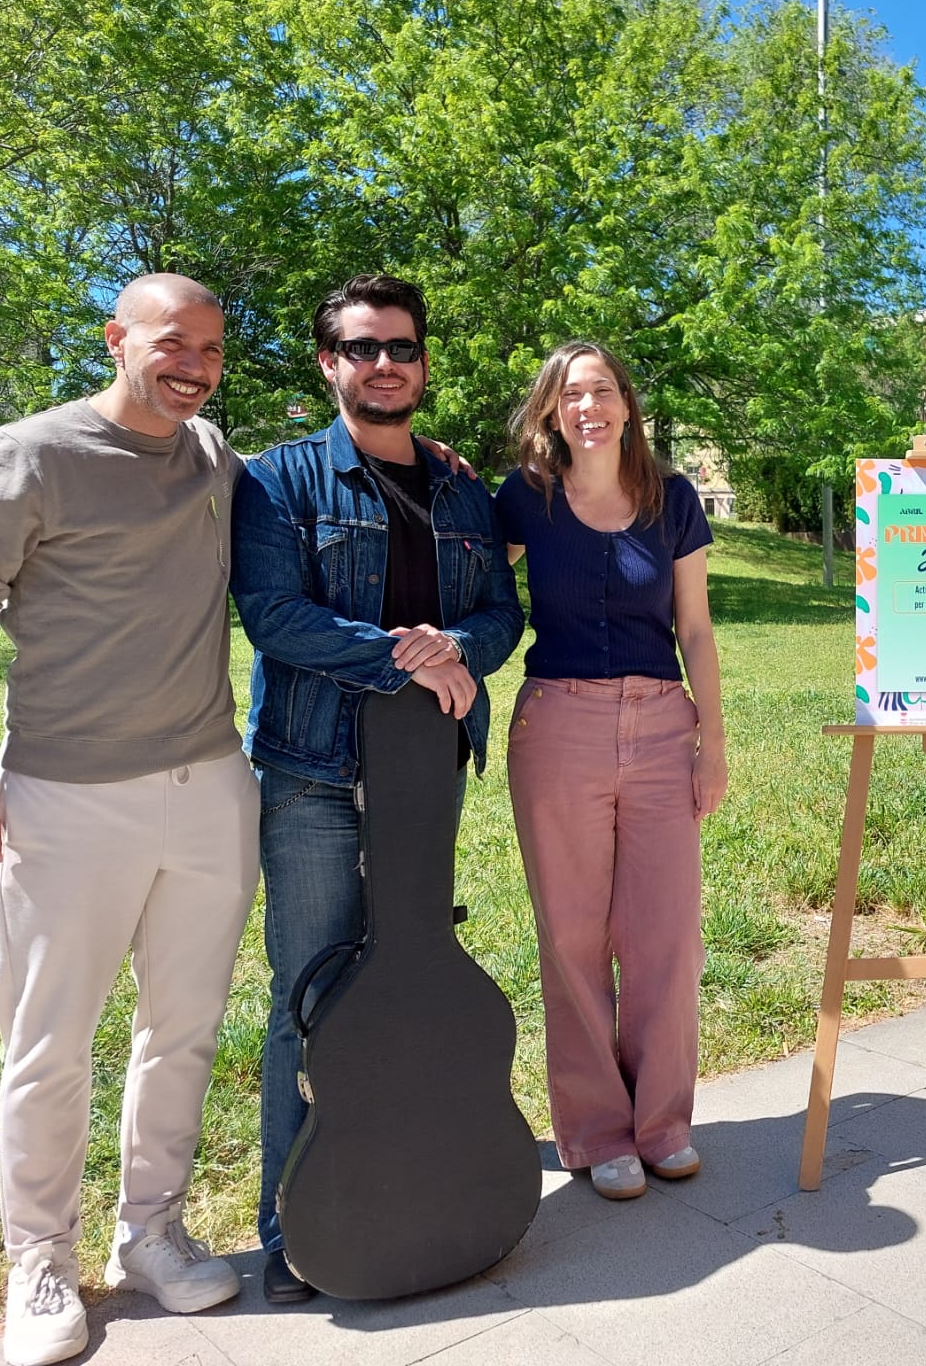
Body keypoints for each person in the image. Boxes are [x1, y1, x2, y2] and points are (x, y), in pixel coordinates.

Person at [0, 275, 255, 1366]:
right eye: (172, 342)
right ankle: (39, 1261)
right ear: (117, 339)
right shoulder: (32, 455)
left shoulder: (212, 459)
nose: (193, 365)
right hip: (66, 797)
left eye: (211, 349)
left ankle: (150, 1232)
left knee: (184, 1027)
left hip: (210, 786)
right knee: (48, 1043)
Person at [230, 273, 523, 1305]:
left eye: (400, 346)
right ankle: (292, 1229)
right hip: (312, 771)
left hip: (425, 777)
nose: (383, 363)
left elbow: (502, 612)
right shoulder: (278, 480)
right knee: (311, 996)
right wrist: (411, 659)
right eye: (362, 348)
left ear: (423, 362)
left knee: (412, 979)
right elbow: (274, 616)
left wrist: (460, 647)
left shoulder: (461, 490)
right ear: (329, 363)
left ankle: (414, 1187)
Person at [494, 342, 726, 1201]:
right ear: (551, 413)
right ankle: (596, 1133)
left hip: (662, 727)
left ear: (627, 405)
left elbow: (694, 628)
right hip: (559, 726)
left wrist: (713, 740)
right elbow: (472, 583)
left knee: (667, 936)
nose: (586, 407)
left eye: (600, 391)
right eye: (569, 395)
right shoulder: (524, 498)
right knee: (572, 937)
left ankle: (662, 1124)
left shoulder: (673, 500)